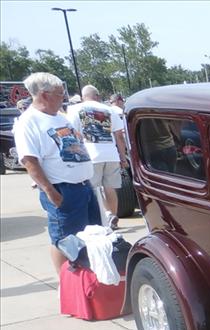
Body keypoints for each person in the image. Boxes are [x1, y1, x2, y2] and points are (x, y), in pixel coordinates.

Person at [13, 72, 99, 271]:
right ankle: (65, 281)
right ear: (45, 95)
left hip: (83, 186)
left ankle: (83, 278)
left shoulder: (60, 117)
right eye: (60, 94)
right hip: (62, 189)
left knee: (89, 234)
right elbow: (29, 161)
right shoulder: (29, 122)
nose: (64, 98)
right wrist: (50, 192)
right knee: (65, 240)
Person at [66, 84, 128, 228]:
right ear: (97, 96)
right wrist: (123, 157)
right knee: (110, 188)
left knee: (94, 189)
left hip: (90, 155)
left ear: (83, 97)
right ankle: (113, 216)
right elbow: (119, 136)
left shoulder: (75, 109)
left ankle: (104, 216)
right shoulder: (109, 110)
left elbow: (72, 134)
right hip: (111, 154)